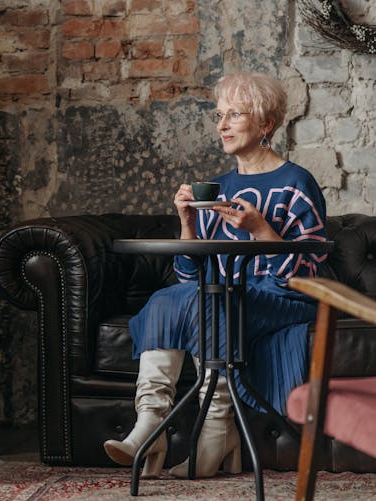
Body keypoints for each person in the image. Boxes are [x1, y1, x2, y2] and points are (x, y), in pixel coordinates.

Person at [103, 72, 328, 478]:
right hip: (220, 295)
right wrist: (187, 222)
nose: (221, 125)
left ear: (266, 124)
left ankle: (214, 432)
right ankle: (150, 422)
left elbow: (306, 272)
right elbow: (191, 276)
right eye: (219, 115)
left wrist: (260, 229)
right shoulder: (218, 188)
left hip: (282, 301)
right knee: (169, 297)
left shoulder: (296, 183)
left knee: (203, 301)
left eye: (234, 115)